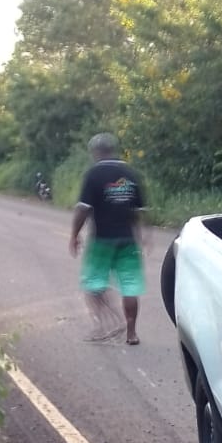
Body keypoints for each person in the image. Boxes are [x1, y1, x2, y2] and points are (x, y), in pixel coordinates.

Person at [70, 133, 148, 344]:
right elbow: (139, 211)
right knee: (130, 287)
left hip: (101, 241)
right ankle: (132, 333)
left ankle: (107, 323)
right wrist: (144, 236)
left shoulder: (94, 174)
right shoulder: (130, 173)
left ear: (96, 152)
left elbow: (83, 209)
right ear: (113, 150)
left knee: (93, 285)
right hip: (128, 240)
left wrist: (74, 236)